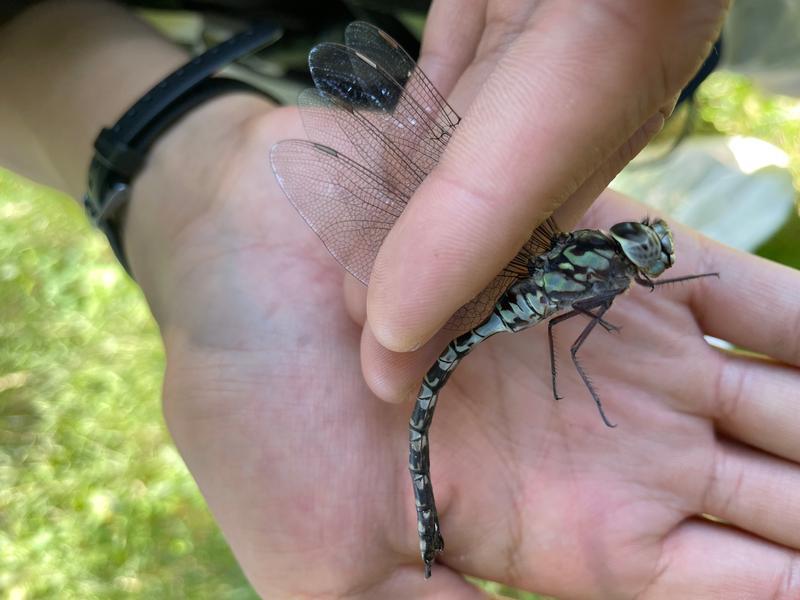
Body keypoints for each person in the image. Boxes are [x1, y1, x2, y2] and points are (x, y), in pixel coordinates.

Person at [2, 1, 799, 597]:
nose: (644, 253)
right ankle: (673, 147)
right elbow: (571, 338)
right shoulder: (600, 275)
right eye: (642, 249)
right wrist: (200, 192)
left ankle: (668, 138)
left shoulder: (586, 260)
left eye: (644, 247)